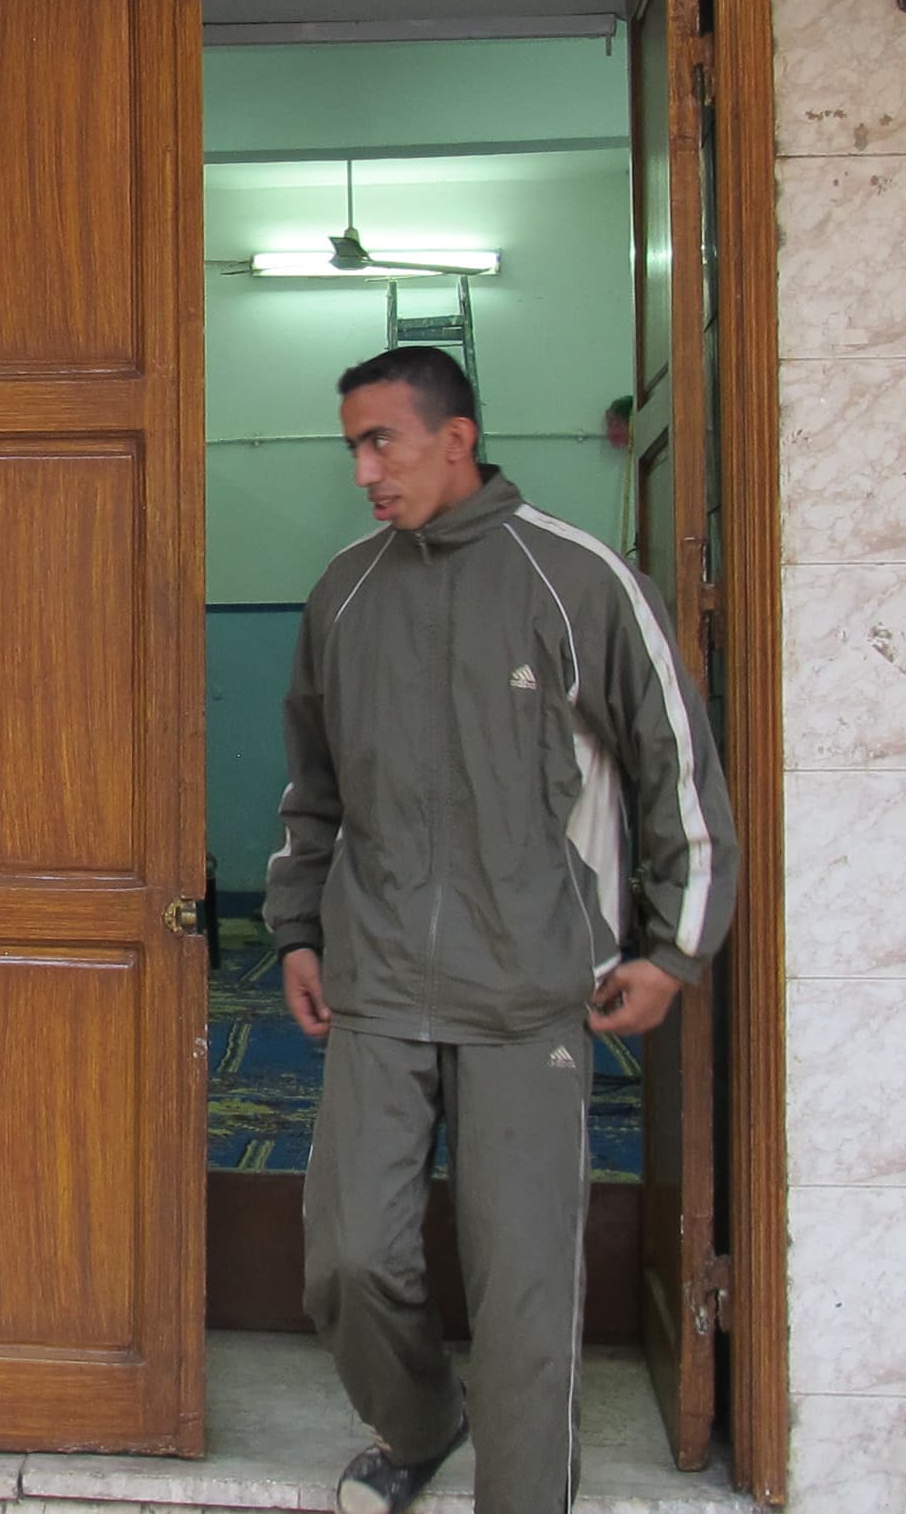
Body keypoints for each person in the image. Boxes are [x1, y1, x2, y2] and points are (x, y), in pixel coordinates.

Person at [266, 348, 737, 1514]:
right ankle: (419, 1426)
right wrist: (295, 934)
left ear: (458, 438)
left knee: (527, 1290)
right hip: (376, 981)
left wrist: (675, 951)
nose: (367, 470)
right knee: (349, 1260)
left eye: (385, 442)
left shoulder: (578, 580)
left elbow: (679, 770)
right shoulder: (345, 591)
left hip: (535, 992)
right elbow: (311, 790)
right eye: (354, 448)